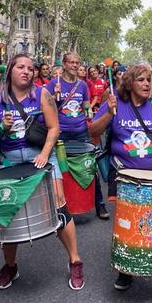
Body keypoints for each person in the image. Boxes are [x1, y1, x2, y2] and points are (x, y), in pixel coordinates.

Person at [0, 54, 84, 291]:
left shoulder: (42, 95)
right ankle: (10, 266)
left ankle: (75, 260)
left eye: (30, 68)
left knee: (60, 206)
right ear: (10, 70)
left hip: (42, 159)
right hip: (10, 162)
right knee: (7, 212)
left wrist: (44, 153)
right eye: (21, 67)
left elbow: (54, 127)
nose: (26, 71)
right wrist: (0, 128)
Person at [89, 63, 152, 291]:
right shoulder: (115, 104)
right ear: (129, 83)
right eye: (141, 80)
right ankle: (126, 269)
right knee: (130, 221)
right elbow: (93, 131)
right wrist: (108, 114)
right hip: (124, 174)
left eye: (148, 80)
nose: (146, 84)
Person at [48, 52, 108, 219]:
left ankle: (99, 204)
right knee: (59, 171)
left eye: (77, 62)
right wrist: (54, 96)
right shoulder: (54, 83)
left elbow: (86, 104)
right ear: (64, 65)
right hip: (61, 134)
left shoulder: (82, 85)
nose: (75, 65)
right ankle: (59, 207)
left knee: (90, 167)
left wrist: (89, 113)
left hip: (82, 132)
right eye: (72, 63)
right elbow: (45, 107)